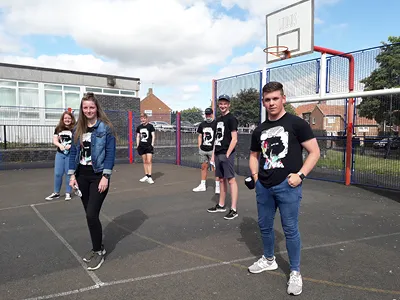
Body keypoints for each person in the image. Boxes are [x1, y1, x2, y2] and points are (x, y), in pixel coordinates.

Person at [247, 82, 320, 296]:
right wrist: (256, 177)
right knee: (264, 226)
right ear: (263, 102)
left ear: (283, 99)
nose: (271, 103)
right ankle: (269, 259)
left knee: (290, 230)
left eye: (275, 98)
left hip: (288, 186)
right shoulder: (259, 130)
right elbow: (253, 156)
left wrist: (301, 175)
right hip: (264, 187)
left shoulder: (297, 124)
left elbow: (314, 152)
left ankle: (295, 272)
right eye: (267, 100)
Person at [68, 92, 116, 271]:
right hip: (81, 175)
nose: (88, 110)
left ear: (97, 108)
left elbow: (110, 154)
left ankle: (99, 251)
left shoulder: (106, 128)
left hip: (98, 175)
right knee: (90, 216)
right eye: (85, 107)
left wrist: (106, 176)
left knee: (91, 214)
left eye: (91, 107)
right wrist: (71, 176)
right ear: (82, 109)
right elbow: (74, 153)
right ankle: (98, 246)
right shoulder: (78, 129)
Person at [207, 94, 239, 220]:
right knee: (221, 179)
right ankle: (221, 205)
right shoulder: (218, 120)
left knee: (231, 179)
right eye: (221, 103)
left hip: (227, 154)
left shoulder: (231, 119)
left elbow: (234, 139)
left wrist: (227, 154)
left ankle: (234, 209)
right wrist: (213, 156)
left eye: (225, 103)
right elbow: (216, 139)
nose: (223, 106)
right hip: (218, 153)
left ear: (229, 104)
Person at [45, 111, 76, 201]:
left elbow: (77, 140)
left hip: (70, 154)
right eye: (65, 118)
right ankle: (56, 193)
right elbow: (55, 140)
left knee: (68, 173)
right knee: (58, 173)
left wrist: (71, 146)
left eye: (69, 118)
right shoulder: (58, 128)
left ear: (72, 119)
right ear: (63, 119)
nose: (67, 120)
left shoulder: (74, 128)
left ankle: (68, 193)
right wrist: (60, 145)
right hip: (60, 153)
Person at [192, 107, 220, 194]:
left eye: (209, 114)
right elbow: (200, 136)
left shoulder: (216, 124)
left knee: (216, 168)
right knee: (203, 167)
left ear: (212, 114)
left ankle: (218, 186)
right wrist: (199, 147)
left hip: (213, 149)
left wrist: (216, 149)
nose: (208, 116)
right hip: (203, 149)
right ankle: (202, 185)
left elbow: (217, 137)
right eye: (206, 114)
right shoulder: (202, 124)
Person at [136, 113, 155, 184]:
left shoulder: (150, 126)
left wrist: (152, 144)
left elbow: (153, 136)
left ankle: (149, 177)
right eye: (141, 118)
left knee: (149, 161)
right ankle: (146, 175)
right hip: (142, 146)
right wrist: (138, 145)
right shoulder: (139, 127)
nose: (143, 119)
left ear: (146, 118)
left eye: (144, 118)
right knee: (144, 161)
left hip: (149, 146)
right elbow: (138, 136)